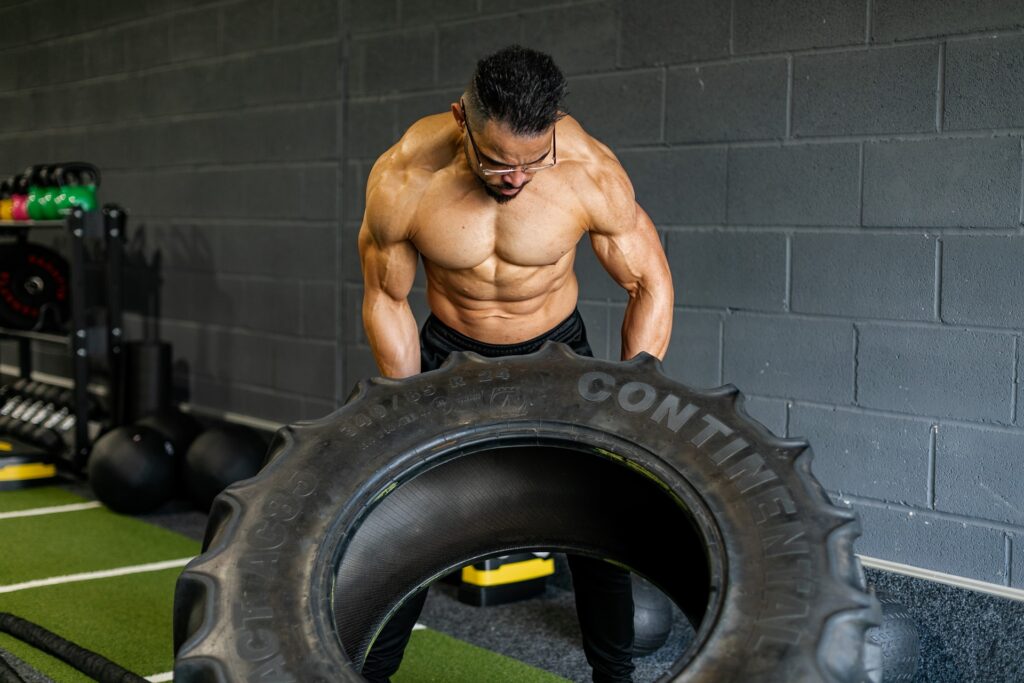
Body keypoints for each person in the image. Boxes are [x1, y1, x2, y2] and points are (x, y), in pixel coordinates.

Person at [358, 45, 674, 683]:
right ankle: (368, 674)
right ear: (462, 121)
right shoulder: (404, 178)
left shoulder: (587, 171)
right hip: (451, 351)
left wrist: (631, 390)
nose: (518, 178)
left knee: (601, 519)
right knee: (401, 514)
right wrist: (405, 401)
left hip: (558, 351)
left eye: (534, 161)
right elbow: (386, 298)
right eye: (500, 162)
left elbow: (651, 283)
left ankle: (615, 680)